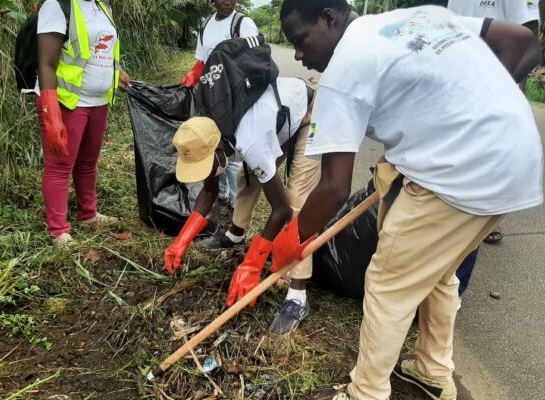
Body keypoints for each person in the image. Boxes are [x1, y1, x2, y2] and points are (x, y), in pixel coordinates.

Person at [267, 2, 542, 400]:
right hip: (514, 161)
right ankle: (431, 369)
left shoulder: (344, 69)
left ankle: (365, 393)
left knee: (388, 286)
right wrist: (470, 110)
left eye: (301, 40)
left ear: (328, 18)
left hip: (458, 175)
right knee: (440, 272)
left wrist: (292, 240)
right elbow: (523, 42)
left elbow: (333, 187)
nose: (298, 54)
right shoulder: (417, 17)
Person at [164, 77, 321, 335]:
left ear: (218, 150)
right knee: (246, 180)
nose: (206, 173)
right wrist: (182, 240)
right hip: (276, 121)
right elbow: (210, 189)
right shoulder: (209, 131)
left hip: (308, 117)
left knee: (295, 201)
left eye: (206, 165)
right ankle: (236, 234)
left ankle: (298, 294)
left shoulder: (251, 141)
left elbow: (279, 209)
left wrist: (252, 264)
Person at [36, 0, 131, 246]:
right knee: (60, 165)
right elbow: (46, 63)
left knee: (88, 162)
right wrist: (51, 111)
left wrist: (116, 72)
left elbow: (104, 49)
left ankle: (88, 214)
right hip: (69, 100)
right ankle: (59, 231)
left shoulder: (103, 7)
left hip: (98, 100)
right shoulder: (58, 5)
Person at [448, 0, 540, 245]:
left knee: (486, 158)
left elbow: (530, 40)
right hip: (458, 82)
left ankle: (483, 219)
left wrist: (502, 88)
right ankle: (456, 215)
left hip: (498, 82)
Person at [180, 0, 259, 211]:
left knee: (232, 148)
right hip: (209, 95)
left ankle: (237, 203)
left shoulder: (243, 24)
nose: (227, 1)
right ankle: (222, 194)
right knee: (213, 144)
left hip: (233, 96)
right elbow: (202, 62)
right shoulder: (206, 24)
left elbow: (256, 60)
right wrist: (192, 75)